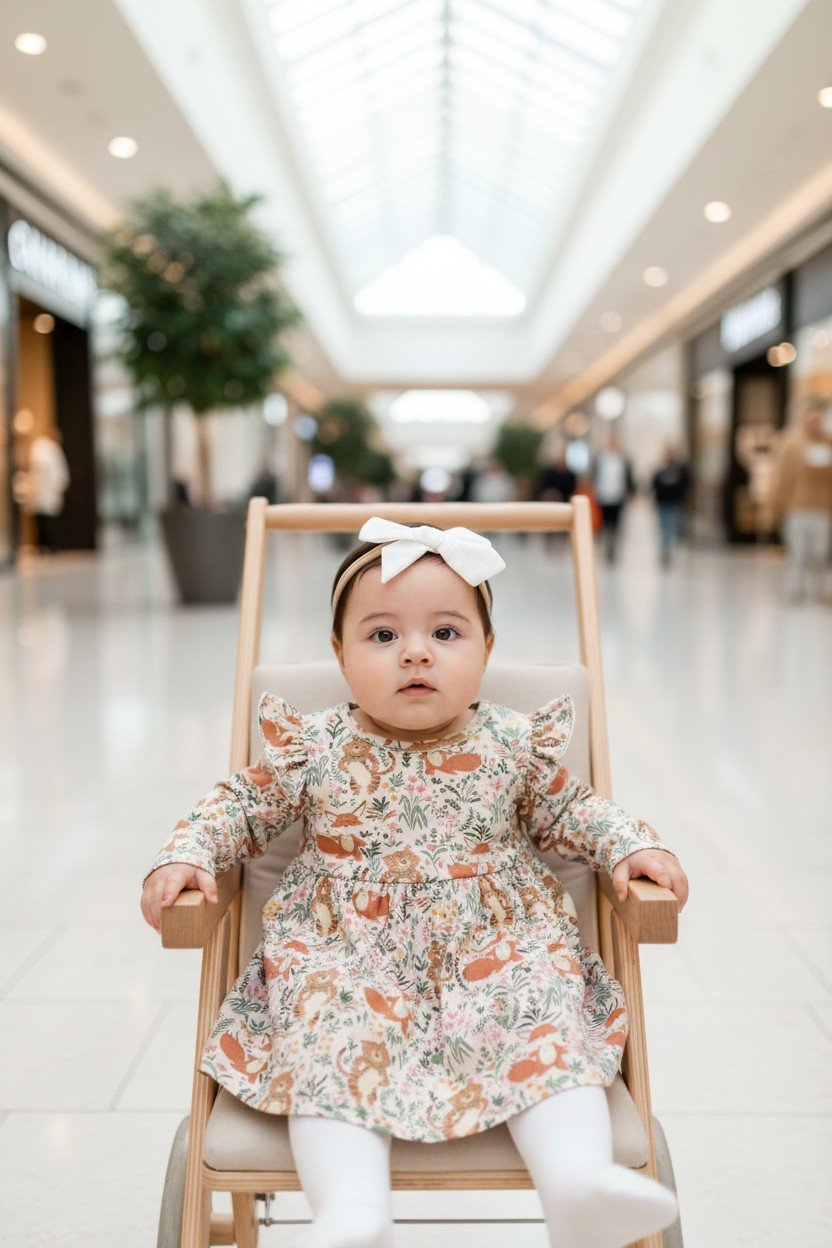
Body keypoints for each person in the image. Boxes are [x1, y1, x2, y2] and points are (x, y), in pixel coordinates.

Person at [141, 518, 687, 1248]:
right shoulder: (315, 747)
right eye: (382, 636)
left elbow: (573, 810)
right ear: (340, 656)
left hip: (495, 946)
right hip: (346, 952)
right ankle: (352, 1211)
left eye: (447, 633)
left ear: (487, 652)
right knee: (327, 1028)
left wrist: (630, 848)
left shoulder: (511, 743)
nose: (417, 652)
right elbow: (238, 805)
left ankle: (576, 1185)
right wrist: (188, 855)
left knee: (540, 1005)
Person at [770, 398, 832, 604]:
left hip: (823, 508)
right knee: (797, 552)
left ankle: (820, 591)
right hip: (796, 508)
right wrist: (775, 505)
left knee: (820, 552)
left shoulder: (828, 443)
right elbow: (781, 476)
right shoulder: (791, 443)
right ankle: (794, 590)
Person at [23, 428, 70, 552]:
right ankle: (43, 545)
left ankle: (50, 545)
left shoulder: (51, 449)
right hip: (42, 489)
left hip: (47, 490)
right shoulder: (42, 448)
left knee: (48, 519)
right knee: (41, 520)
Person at [591, 434, 636, 565]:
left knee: (616, 524)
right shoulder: (600, 459)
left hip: (618, 496)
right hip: (603, 496)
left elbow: (628, 477)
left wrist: (631, 491)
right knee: (604, 523)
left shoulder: (623, 460)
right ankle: (605, 547)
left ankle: (613, 548)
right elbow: (594, 476)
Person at [650, 443, 690, 567]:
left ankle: (668, 549)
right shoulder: (660, 469)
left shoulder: (680, 469)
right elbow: (654, 484)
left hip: (675, 503)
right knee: (663, 528)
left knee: (672, 527)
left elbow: (686, 483)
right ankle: (664, 551)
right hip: (662, 502)